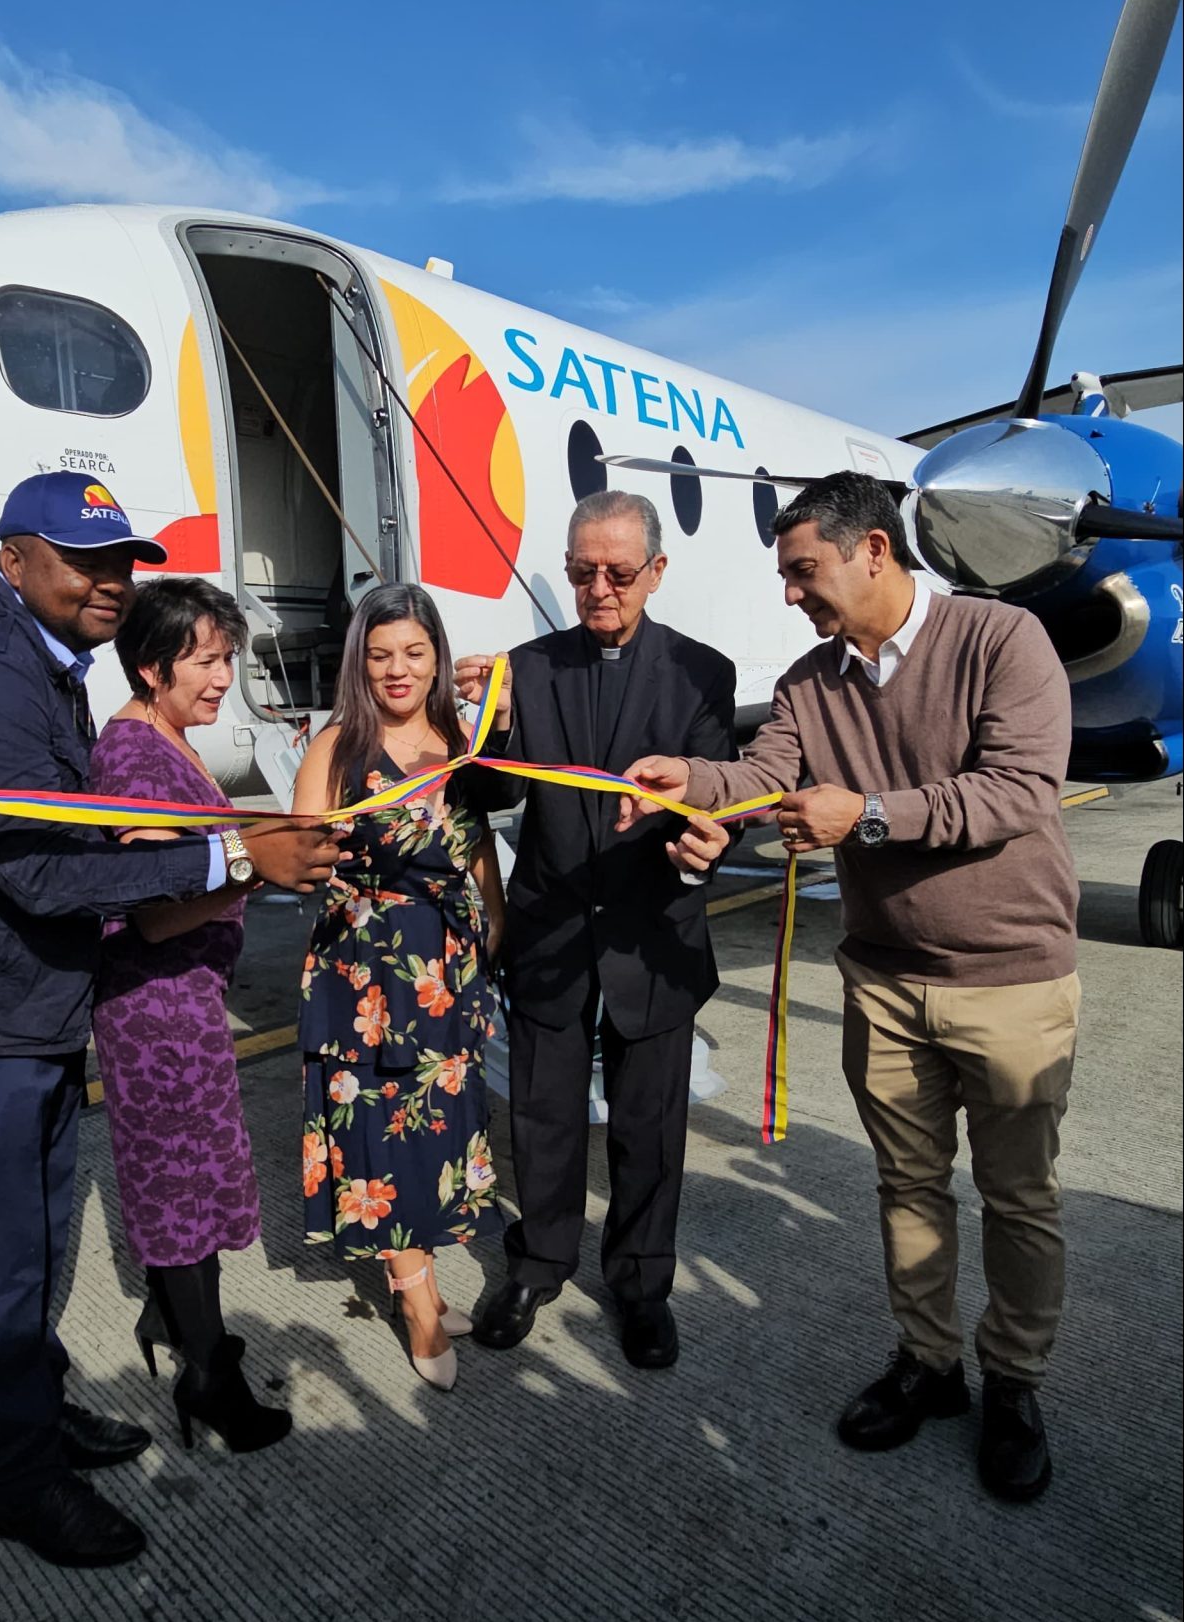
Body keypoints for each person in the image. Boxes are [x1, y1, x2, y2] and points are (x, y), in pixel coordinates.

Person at [0, 474, 342, 1571]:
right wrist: (243, 851)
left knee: (37, 1241)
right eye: (79, 559)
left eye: (119, 560)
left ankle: (37, 1415)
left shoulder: (39, 657)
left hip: (12, 1008)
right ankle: (23, 1482)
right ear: (13, 558)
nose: (109, 582)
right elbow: (46, 865)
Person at [622, 471, 1079, 1503]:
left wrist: (862, 814)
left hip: (1006, 980)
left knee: (1017, 1198)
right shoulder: (806, 685)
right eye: (784, 576)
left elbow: (1014, 791)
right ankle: (929, 1361)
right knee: (907, 1187)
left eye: (802, 571)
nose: (790, 593)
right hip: (880, 981)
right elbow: (762, 772)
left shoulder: (1001, 643)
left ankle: (1012, 1383)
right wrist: (684, 779)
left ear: (873, 549)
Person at [455, 489, 736, 1369]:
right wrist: (486, 729)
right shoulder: (528, 668)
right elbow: (493, 796)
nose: (599, 588)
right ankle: (538, 1264)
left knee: (648, 1125)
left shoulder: (703, 673)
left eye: (619, 571)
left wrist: (702, 854)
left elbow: (722, 796)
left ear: (656, 571)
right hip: (550, 930)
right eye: (583, 571)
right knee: (540, 1114)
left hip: (653, 931)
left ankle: (642, 1283)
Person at [89, 576, 289, 1455]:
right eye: (204, 661)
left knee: (190, 1184)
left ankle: (183, 1331)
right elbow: (154, 905)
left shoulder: (163, 734)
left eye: (226, 659)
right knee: (180, 1195)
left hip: (182, 1000)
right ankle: (209, 1379)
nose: (221, 679)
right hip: (156, 1009)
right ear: (150, 664)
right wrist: (262, 862)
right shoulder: (133, 756)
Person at [292, 582, 505, 1392]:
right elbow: (299, 860)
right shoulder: (339, 747)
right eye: (379, 655)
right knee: (379, 1135)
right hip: (366, 976)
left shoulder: (463, 739)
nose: (397, 669)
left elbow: (480, 855)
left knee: (437, 1131)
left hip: (446, 971)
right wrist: (332, 842)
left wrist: (491, 948)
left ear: (437, 656)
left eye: (414, 652)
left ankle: (420, 1274)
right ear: (360, 662)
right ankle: (416, 1297)